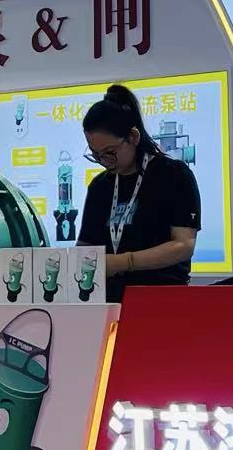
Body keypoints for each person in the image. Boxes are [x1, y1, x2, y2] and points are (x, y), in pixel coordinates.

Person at [79, 84, 201, 301]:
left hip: (161, 298)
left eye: (109, 152)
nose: (104, 161)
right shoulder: (100, 186)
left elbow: (183, 245)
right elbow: (86, 246)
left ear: (133, 137)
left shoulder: (173, 175)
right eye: (96, 155)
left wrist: (124, 262)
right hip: (107, 300)